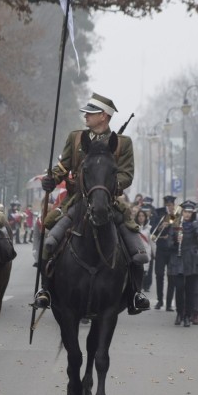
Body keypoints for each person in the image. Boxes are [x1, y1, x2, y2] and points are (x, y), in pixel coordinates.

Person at [34, 92, 150, 313]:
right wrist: (53, 177)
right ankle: (46, 290)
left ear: (104, 116)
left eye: (91, 113)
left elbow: (127, 174)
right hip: (77, 200)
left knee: (137, 247)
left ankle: (136, 293)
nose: (85, 116)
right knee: (48, 238)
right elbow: (63, 166)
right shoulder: (76, 138)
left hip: (109, 199)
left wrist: (106, 187)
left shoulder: (122, 143)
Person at [167, 200, 198, 327]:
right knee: (179, 289)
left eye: (189, 212)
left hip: (191, 262)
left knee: (190, 290)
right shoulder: (175, 225)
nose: (187, 214)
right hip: (177, 261)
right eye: (185, 212)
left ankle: (188, 316)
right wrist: (176, 241)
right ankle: (179, 314)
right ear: (181, 212)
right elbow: (168, 245)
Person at [150, 195, 178, 311]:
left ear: (173, 205)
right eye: (167, 205)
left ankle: (169, 303)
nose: (169, 207)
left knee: (171, 277)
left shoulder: (176, 215)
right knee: (159, 275)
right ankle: (160, 300)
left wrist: (171, 224)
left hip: (172, 251)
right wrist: (161, 226)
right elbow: (152, 233)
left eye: (170, 205)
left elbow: (179, 231)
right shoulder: (159, 214)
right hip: (161, 249)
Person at [134, 208, 154, 292]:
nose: (141, 218)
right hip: (136, 253)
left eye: (143, 216)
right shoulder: (134, 227)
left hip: (146, 253)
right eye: (139, 216)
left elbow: (151, 242)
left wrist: (153, 253)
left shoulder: (149, 228)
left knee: (144, 273)